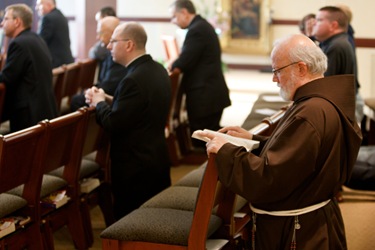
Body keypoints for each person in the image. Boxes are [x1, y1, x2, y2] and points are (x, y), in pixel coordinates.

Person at [197, 34, 362, 249]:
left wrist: (226, 151)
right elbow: (300, 155)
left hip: (301, 231)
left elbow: (270, 179)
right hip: (314, 218)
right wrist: (253, 140)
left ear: (301, 69)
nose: (274, 79)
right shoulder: (318, 101)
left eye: (277, 71)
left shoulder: (310, 112)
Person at [85, 22, 172, 220]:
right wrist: (108, 99)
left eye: (113, 41)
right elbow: (139, 108)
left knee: (130, 224)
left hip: (135, 169)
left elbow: (114, 124)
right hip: (155, 159)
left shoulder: (132, 79)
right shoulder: (157, 69)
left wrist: (98, 103)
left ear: (129, 45)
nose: (108, 46)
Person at [169, 0, 231, 148]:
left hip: (205, 95)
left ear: (184, 12)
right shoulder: (200, 26)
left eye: (174, 17)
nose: (173, 21)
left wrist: (173, 64)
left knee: (203, 138)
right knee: (207, 136)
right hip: (208, 92)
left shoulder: (197, 30)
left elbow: (184, 61)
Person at [0, 4, 58, 132]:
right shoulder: (36, 39)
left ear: (17, 22)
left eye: (6, 19)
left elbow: (6, 78)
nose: (2, 23)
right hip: (43, 108)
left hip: (29, 115)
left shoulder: (18, 43)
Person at [312, 6, 364, 124]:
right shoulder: (335, 42)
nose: (314, 23)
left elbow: (324, 86)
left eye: (319, 20)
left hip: (340, 110)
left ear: (333, 25)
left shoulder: (336, 46)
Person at [70, 16, 127, 111]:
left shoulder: (118, 54)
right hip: (106, 92)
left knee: (76, 100)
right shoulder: (109, 51)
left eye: (100, 33)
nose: (98, 37)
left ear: (112, 33)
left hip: (110, 96)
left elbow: (109, 86)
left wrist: (92, 91)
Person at [35, 0, 74, 68]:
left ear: (49, 4)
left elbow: (40, 43)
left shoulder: (47, 18)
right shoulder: (61, 16)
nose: (36, 8)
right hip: (66, 62)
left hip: (55, 64)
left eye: (39, 4)